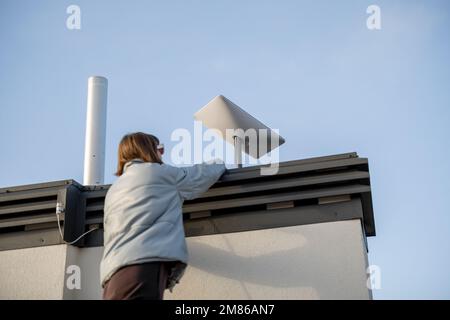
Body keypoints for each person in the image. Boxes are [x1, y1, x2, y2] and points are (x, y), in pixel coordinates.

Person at [100, 132, 226, 300]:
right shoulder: (160, 173)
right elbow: (198, 176)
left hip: (113, 277)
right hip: (143, 268)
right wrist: (219, 162)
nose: (162, 154)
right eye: (160, 148)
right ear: (149, 150)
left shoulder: (114, 190)